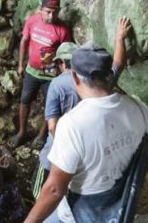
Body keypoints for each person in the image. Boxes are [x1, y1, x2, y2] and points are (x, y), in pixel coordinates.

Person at [24, 44, 148, 223]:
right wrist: (135, 171)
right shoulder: (136, 107)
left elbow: (55, 189)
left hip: (78, 214)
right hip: (118, 208)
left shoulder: (72, 124)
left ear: (74, 77)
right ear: (109, 74)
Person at [33, 17, 133, 199]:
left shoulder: (57, 84)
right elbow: (119, 63)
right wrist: (120, 38)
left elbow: (52, 126)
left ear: (63, 63)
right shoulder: (102, 80)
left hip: (55, 155)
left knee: (41, 191)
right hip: (89, 154)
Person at [10, 0, 73, 149]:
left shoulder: (63, 30)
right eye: (47, 12)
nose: (51, 16)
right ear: (41, 9)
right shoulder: (33, 20)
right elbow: (24, 41)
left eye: (55, 12)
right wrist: (20, 64)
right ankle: (22, 132)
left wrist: (63, 75)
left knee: (50, 105)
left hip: (50, 75)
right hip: (32, 70)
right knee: (25, 100)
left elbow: (66, 54)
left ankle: (42, 135)